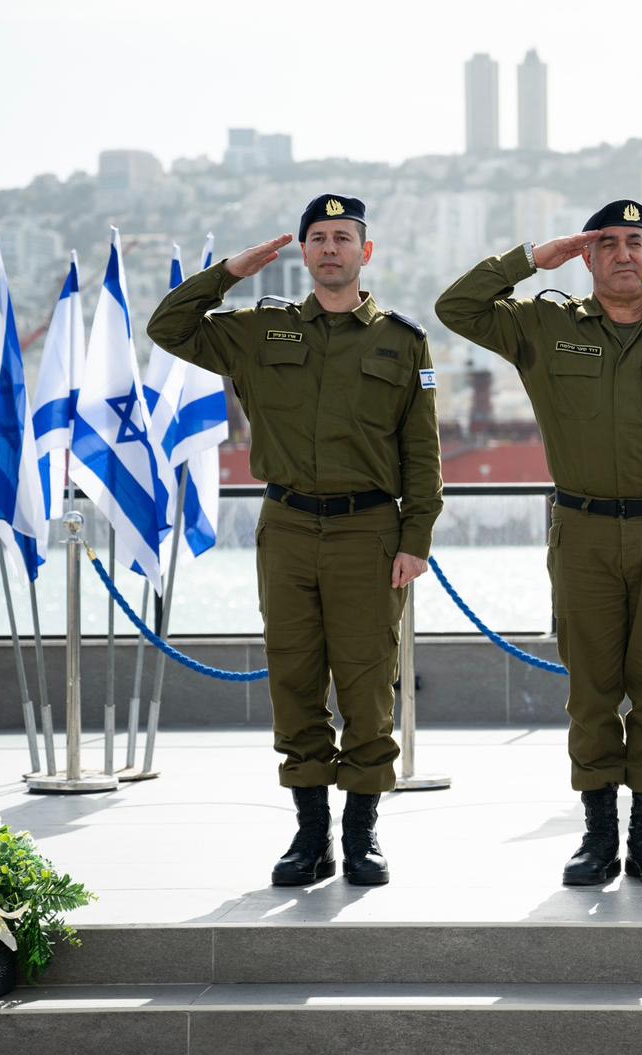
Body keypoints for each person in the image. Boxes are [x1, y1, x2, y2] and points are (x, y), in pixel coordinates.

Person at [436, 199, 642, 887]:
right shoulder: (544, 326)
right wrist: (529, 260)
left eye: (636, 242)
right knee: (593, 690)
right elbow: (456, 308)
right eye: (608, 244)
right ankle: (598, 836)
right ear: (587, 257)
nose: (625, 254)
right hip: (582, 534)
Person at [147, 194, 442, 888]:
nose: (330, 248)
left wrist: (416, 538)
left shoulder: (402, 341)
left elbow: (422, 454)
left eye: (343, 238)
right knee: (294, 681)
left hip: (369, 530)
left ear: (365, 254)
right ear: (303, 254)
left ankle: (362, 834)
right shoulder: (258, 330)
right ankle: (311, 838)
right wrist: (230, 272)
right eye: (317, 238)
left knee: (368, 686)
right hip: (285, 528)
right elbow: (168, 326)